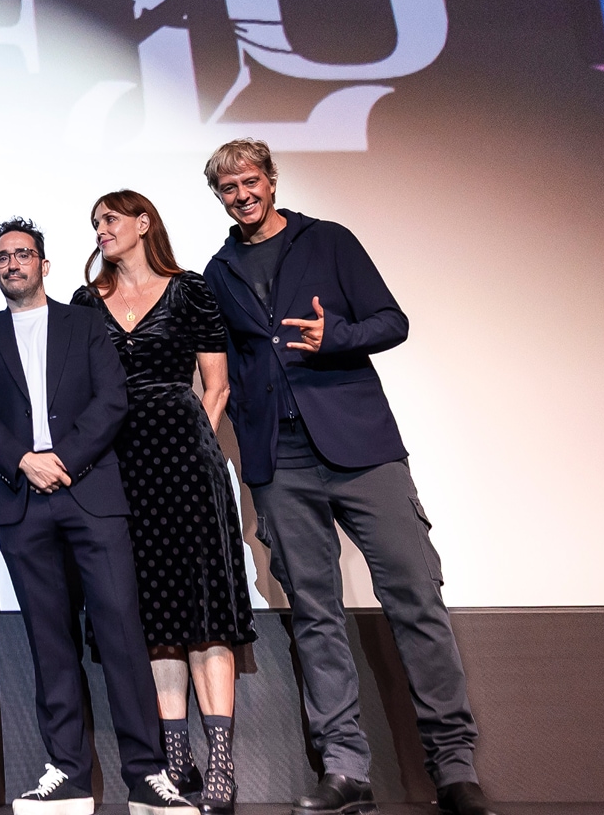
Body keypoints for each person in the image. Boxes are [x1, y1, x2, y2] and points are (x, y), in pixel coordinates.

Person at [199, 139, 497, 815]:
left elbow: (392, 321)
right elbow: (228, 368)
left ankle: (455, 771)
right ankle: (344, 771)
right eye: (227, 188)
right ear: (219, 196)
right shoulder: (217, 271)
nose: (241, 194)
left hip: (362, 450)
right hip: (282, 462)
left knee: (417, 600)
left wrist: (333, 338)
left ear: (271, 181)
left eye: (250, 181)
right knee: (315, 615)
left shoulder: (328, 241)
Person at [0, 218, 197, 815]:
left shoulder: (85, 323)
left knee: (121, 632)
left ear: (44, 264)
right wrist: (21, 460)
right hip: (23, 501)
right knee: (50, 641)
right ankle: (67, 773)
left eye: (22, 254)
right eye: (1, 257)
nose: (11, 264)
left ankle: (146, 776)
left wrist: (61, 459)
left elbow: (112, 400)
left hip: (91, 495)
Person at [68, 190, 254, 812]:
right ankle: (177, 760)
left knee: (203, 613)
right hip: (118, 469)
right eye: (94, 223)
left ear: (143, 223)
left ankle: (221, 764)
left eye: (110, 219)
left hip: (186, 468)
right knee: (149, 618)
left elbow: (217, 384)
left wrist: (190, 451)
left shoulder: (191, 290)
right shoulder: (85, 304)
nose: (100, 230)